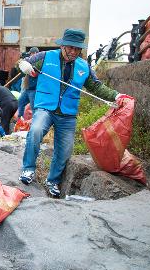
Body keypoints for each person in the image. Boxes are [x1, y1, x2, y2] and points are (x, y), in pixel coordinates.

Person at [17, 28, 132, 197]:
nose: (73, 51)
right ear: (63, 45)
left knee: (65, 149)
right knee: (35, 131)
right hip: (45, 107)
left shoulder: (84, 66)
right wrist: (25, 66)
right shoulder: (45, 57)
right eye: (70, 47)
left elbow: (97, 86)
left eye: (77, 48)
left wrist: (117, 96)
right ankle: (28, 169)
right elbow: (22, 63)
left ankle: (53, 181)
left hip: (67, 114)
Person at [17, 47, 39, 120]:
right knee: (20, 101)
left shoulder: (39, 62)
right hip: (27, 89)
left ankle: (34, 121)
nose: (30, 55)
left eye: (31, 53)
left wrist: (32, 69)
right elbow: (19, 67)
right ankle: (20, 118)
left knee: (33, 107)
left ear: (35, 53)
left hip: (34, 89)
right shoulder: (28, 62)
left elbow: (36, 74)